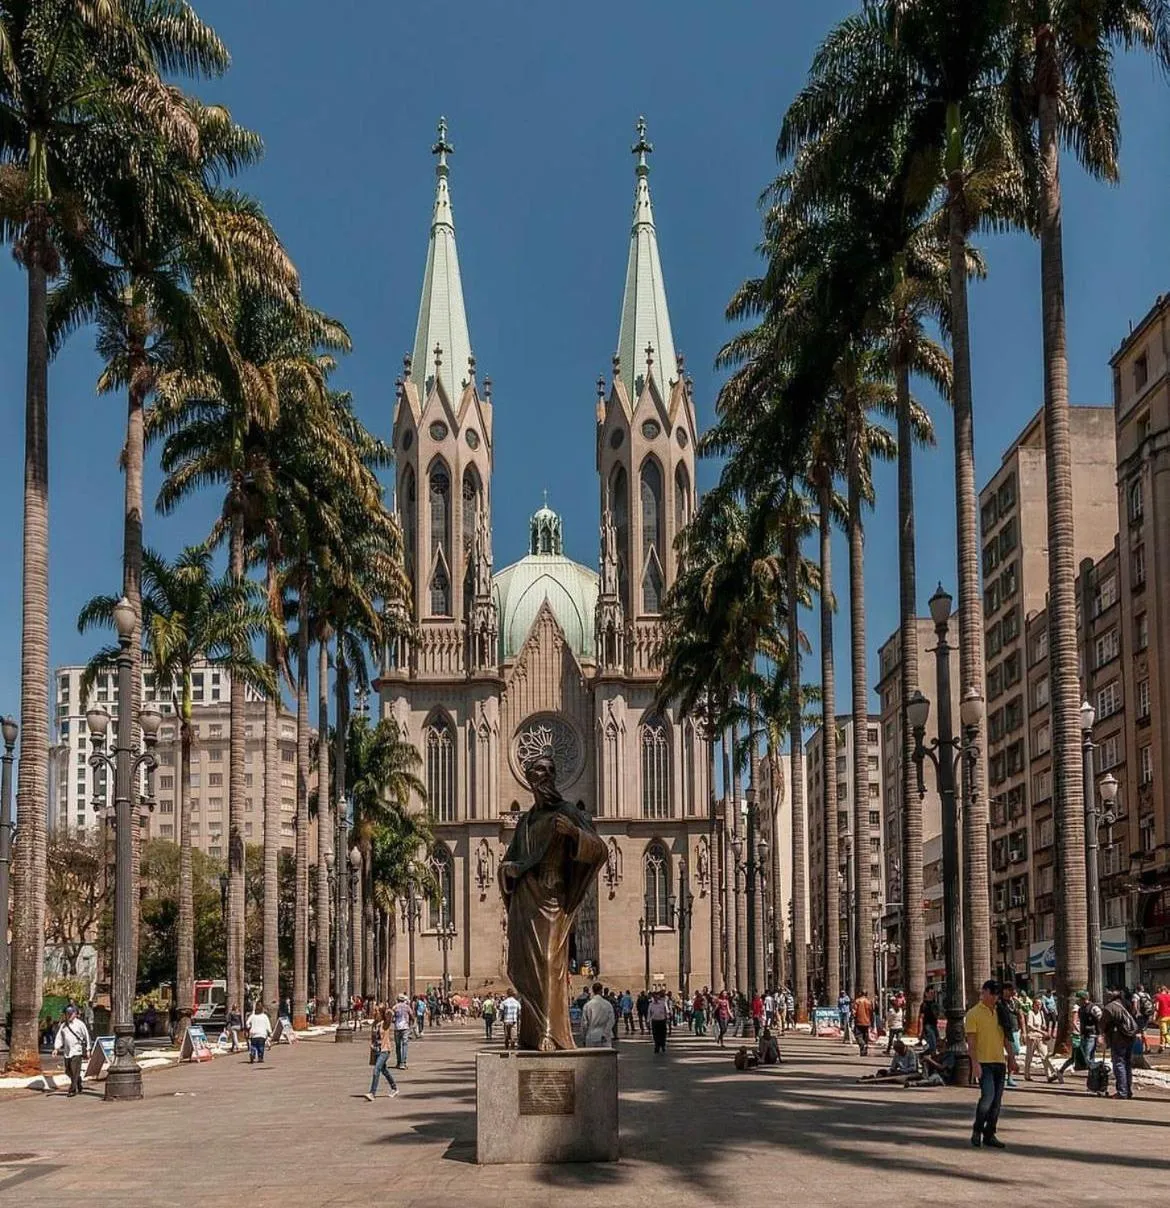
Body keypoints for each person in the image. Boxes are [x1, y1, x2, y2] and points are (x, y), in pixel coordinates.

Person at [965, 979, 1016, 1149]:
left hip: (999, 1062)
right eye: (992, 993)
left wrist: (1012, 1058)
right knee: (987, 1098)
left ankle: (990, 1133)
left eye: (997, 994)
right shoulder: (973, 1014)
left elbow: (1006, 1038)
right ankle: (977, 1130)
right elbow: (971, 1044)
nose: (995, 997)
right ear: (984, 992)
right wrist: (975, 1064)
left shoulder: (1001, 1011)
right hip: (984, 1063)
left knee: (997, 1102)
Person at [1101, 988, 1138, 1100]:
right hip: (1130, 1037)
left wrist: (1103, 1035)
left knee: (1119, 1063)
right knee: (1127, 1064)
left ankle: (1122, 1092)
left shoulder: (1111, 1007)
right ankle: (1128, 1091)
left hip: (1118, 1038)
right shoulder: (1127, 1005)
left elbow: (1102, 1023)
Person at [53, 1005, 91, 1097]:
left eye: (70, 1014)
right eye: (67, 1014)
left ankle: (72, 1090)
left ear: (75, 1014)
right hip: (67, 1052)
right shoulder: (63, 1025)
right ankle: (78, 1080)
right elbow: (59, 1038)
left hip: (77, 1051)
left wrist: (88, 1049)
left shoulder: (80, 1024)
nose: (68, 1016)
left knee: (74, 1070)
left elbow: (87, 1037)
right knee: (68, 1071)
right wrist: (56, 1048)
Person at [1023, 994, 1061, 1083]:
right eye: (1037, 1004)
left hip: (1041, 1038)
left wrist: (1044, 1027)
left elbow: (1043, 1024)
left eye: (1040, 1004)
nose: (1039, 1006)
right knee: (1029, 1057)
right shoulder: (1030, 1013)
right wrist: (1040, 1031)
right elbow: (1030, 1025)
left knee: (1045, 1056)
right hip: (1032, 1037)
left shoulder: (1041, 1013)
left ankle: (1050, 1075)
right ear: (1033, 1005)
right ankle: (1027, 1074)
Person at [365, 1007, 400, 1101]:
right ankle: (394, 1088)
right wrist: (372, 1045)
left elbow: (391, 1014)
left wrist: (387, 1009)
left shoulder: (385, 1024)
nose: (374, 1012)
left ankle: (372, 1093)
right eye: (374, 1010)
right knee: (384, 1070)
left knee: (376, 1070)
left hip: (385, 1050)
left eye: (376, 1011)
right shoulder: (374, 1024)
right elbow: (373, 1038)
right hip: (376, 1050)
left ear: (381, 1013)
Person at [1000, 983, 1025, 1088]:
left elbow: (1021, 1016)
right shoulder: (999, 1002)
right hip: (1001, 1031)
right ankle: (1001, 1076)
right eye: (1010, 990)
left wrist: (1024, 1031)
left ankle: (1009, 1076)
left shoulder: (1015, 1002)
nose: (1012, 992)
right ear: (1004, 990)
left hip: (1013, 1031)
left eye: (1013, 990)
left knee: (1013, 1054)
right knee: (1001, 1054)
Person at [581, 982, 616, 1048]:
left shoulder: (587, 1005)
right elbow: (611, 1020)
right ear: (601, 990)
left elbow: (584, 1024)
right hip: (604, 1036)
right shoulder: (607, 1005)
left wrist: (583, 1037)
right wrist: (606, 1032)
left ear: (593, 991)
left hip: (591, 1035)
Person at [392, 994, 412, 1068]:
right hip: (405, 1027)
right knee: (405, 1045)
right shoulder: (407, 1007)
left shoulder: (395, 1007)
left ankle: (398, 1062)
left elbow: (391, 1017)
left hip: (397, 1028)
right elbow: (412, 1014)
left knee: (398, 1046)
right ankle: (403, 1063)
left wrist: (394, 1020)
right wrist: (410, 1021)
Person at [852, 990, 873, 1056]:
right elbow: (871, 1012)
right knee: (865, 1036)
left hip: (859, 1021)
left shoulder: (857, 1001)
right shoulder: (869, 1002)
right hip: (867, 1022)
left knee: (858, 1035)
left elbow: (854, 1011)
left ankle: (862, 1045)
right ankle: (864, 1051)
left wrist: (852, 1017)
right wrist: (871, 1021)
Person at [919, 988, 940, 1056]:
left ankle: (923, 1056)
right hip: (928, 1026)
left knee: (936, 1044)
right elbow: (921, 1018)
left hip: (934, 1026)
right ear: (926, 994)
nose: (932, 995)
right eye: (931, 993)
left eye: (933, 993)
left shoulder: (935, 1004)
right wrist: (920, 1031)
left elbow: (937, 1015)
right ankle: (927, 1058)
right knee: (933, 1045)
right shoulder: (924, 1005)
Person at [648, 989, 669, 1054]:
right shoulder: (651, 1004)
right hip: (655, 1021)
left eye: (657, 996)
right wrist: (648, 1021)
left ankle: (663, 1045)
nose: (656, 998)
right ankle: (657, 1046)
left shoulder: (663, 1003)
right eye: (654, 997)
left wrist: (667, 1019)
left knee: (662, 1034)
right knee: (655, 1035)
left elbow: (666, 1011)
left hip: (662, 1021)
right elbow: (649, 1013)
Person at [1156, 984, 1170, 1054]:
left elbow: (1157, 1008)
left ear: (1160, 990)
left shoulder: (1159, 997)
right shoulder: (1169, 996)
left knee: (1164, 1032)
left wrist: (1155, 1017)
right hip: (1169, 1016)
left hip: (1163, 1017)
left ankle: (1166, 1044)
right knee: (1167, 1031)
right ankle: (1162, 1046)